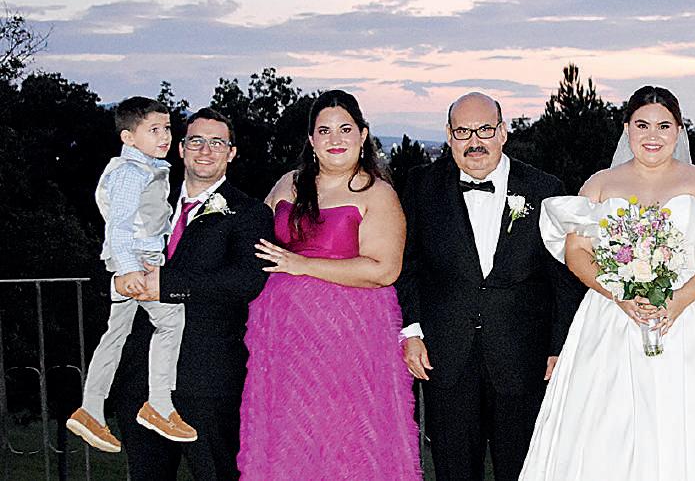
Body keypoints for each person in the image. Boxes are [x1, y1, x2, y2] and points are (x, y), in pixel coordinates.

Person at [522, 85, 695, 480]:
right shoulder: (601, 183)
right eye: (642, 125)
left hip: (690, 316)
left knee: (689, 418)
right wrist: (617, 293)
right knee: (607, 422)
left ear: (679, 130)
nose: (653, 135)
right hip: (613, 314)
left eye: (664, 126)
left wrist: (681, 298)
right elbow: (576, 252)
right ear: (627, 128)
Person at [395, 92, 579, 480]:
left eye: (484, 130)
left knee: (523, 470)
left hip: (524, 359)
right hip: (446, 358)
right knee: (453, 470)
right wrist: (411, 332)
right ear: (449, 135)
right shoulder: (421, 186)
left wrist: (559, 346)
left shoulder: (544, 188)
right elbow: (407, 266)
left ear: (503, 132)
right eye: (463, 131)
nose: (474, 141)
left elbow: (563, 279)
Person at [238, 90, 420, 479]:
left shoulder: (377, 193)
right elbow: (249, 241)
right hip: (284, 337)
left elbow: (384, 270)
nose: (335, 139)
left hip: (348, 339)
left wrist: (302, 264)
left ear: (363, 135)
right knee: (289, 436)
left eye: (345, 129)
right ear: (311, 139)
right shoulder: (287, 184)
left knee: (344, 436)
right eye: (324, 131)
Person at [111, 108, 274, 480]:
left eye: (217, 142)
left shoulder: (250, 213)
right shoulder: (145, 200)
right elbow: (110, 254)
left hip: (206, 378)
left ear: (231, 153)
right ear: (181, 149)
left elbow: (246, 280)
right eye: (196, 141)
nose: (205, 150)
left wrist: (168, 285)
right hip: (140, 375)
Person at [70, 96, 197, 453]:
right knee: (171, 320)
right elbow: (120, 225)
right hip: (137, 260)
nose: (165, 136)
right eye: (154, 130)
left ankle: (90, 408)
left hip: (135, 258)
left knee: (115, 334)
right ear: (128, 137)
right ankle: (159, 404)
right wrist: (128, 269)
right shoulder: (130, 173)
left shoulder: (145, 168)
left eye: (167, 128)